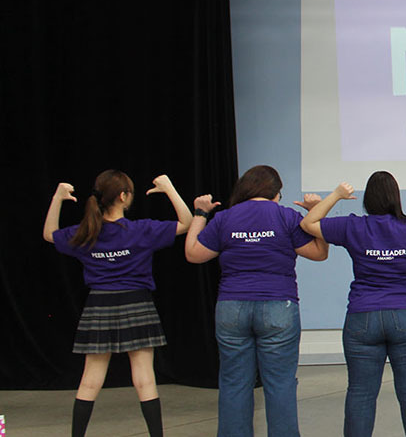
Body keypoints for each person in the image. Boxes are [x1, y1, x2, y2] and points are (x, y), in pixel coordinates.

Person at [300, 172, 406, 437]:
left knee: (360, 393)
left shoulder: (353, 227)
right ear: (396, 198)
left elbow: (309, 223)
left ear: (367, 199)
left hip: (363, 317)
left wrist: (335, 195)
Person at [43, 171, 193, 437]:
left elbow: (49, 234)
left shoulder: (85, 233)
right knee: (145, 379)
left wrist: (57, 198)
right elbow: (187, 222)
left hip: (99, 305)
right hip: (137, 304)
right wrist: (168, 187)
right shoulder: (141, 230)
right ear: (124, 197)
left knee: (90, 381)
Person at [185, 165, 329, 437]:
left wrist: (201, 214)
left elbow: (193, 253)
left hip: (231, 308)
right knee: (280, 384)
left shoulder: (225, 218)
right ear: (276, 193)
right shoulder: (286, 216)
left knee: (234, 383)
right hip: (278, 307)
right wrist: (315, 211)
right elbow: (320, 252)